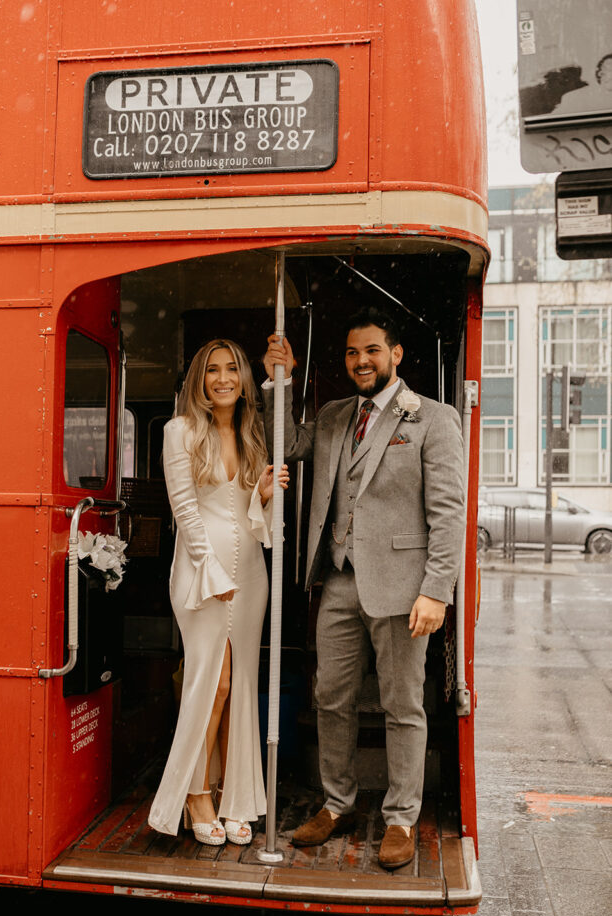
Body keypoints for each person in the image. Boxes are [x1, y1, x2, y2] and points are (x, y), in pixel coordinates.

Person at [263, 308, 465, 869]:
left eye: (372, 351)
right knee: (331, 697)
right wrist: (277, 382)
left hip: (404, 588)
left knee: (403, 704)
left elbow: (448, 513)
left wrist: (437, 590)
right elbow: (283, 443)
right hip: (338, 580)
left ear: (395, 354)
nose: (361, 362)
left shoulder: (432, 418)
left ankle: (401, 817)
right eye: (352, 353)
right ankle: (338, 804)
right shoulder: (331, 416)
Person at [148, 339, 288, 846]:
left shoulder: (251, 434)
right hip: (202, 574)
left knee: (240, 688)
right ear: (199, 380)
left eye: (232, 369)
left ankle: (236, 797)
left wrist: (264, 497)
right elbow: (185, 512)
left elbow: (253, 522)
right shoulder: (179, 431)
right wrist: (211, 572)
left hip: (250, 573)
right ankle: (194, 795)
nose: (223, 378)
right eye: (212, 370)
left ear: (244, 378)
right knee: (214, 683)